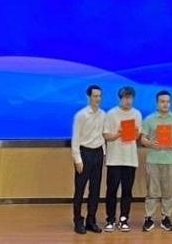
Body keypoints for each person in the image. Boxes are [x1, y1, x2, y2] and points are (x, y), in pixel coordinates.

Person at [140, 90, 172, 232]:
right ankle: (149, 218)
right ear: (157, 103)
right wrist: (151, 143)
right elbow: (143, 138)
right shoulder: (149, 119)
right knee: (152, 191)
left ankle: (166, 217)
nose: (165, 104)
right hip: (153, 159)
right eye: (162, 101)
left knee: (167, 191)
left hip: (169, 160)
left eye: (168, 102)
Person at [102, 86, 142, 232]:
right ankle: (110, 219)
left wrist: (134, 133)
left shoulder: (137, 114)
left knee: (127, 191)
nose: (128, 100)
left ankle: (124, 219)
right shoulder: (111, 114)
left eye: (130, 98)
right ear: (120, 98)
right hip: (114, 159)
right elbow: (106, 135)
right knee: (111, 191)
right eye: (125, 97)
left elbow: (137, 135)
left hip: (130, 159)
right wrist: (119, 134)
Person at [71, 84, 106, 234]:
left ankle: (91, 221)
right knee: (80, 190)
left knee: (95, 190)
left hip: (98, 153)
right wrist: (77, 159)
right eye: (95, 96)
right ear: (89, 97)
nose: (98, 99)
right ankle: (78, 221)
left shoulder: (103, 114)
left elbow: (102, 136)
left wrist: (103, 154)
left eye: (99, 96)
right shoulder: (81, 115)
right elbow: (75, 139)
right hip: (84, 153)